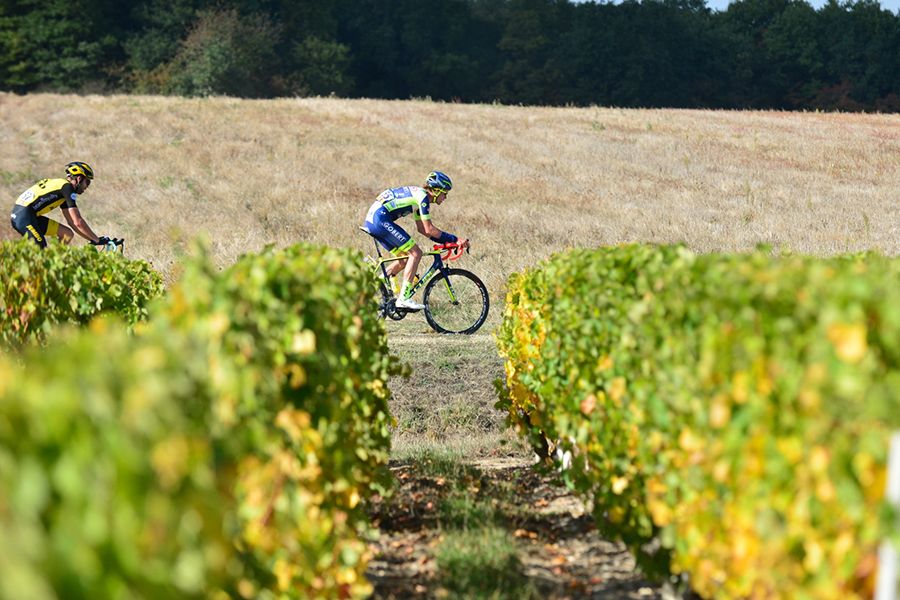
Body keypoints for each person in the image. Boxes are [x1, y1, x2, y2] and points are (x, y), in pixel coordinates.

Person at [362, 170, 468, 310]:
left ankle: (373, 290)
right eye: (445, 193)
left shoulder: (419, 197)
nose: (445, 197)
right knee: (415, 253)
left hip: (375, 220)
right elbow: (429, 229)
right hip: (380, 219)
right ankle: (404, 299)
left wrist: (447, 242)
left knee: (404, 260)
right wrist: (454, 239)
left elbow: (422, 230)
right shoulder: (422, 198)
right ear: (436, 191)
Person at [10, 161, 111, 248]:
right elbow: (78, 222)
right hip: (24, 216)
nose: (87, 187)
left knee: (67, 234)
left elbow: (72, 223)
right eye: (87, 182)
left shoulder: (62, 189)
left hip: (27, 215)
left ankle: (56, 264)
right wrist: (97, 240)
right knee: (41, 252)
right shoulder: (67, 188)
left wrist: (93, 239)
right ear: (79, 179)